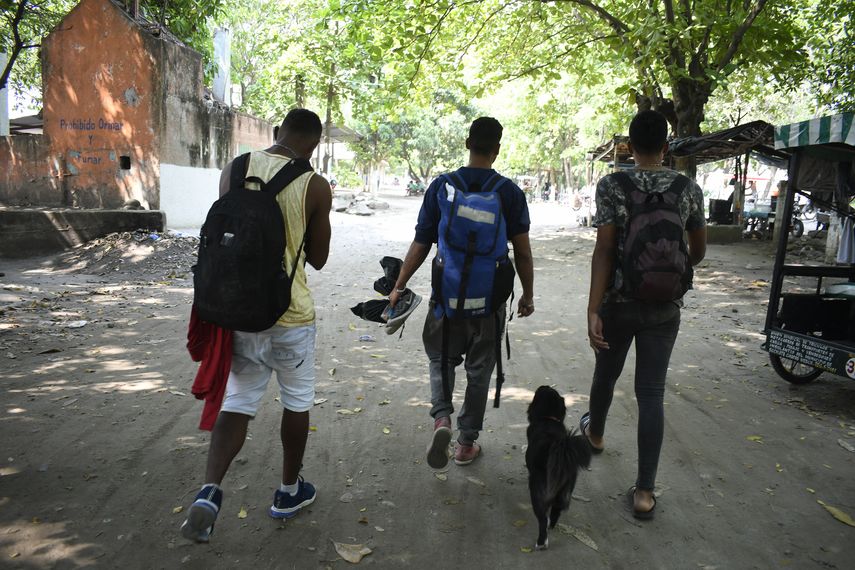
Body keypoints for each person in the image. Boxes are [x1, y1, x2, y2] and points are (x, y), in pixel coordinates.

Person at [180, 108, 332, 542]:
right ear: (315, 144)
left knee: (239, 399)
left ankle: (210, 491)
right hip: (290, 314)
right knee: (297, 401)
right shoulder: (315, 185)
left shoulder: (236, 167)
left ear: (275, 132)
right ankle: (288, 491)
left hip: (237, 310)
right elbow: (318, 259)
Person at [388, 117, 535, 468]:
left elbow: (422, 242)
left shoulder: (442, 187)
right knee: (480, 370)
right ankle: (466, 444)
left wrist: (399, 285)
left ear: (467, 143)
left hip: (447, 297)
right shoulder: (509, 192)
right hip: (489, 300)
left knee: (440, 359)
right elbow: (524, 251)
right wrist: (528, 294)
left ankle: (442, 419)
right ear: (497, 149)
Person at [581, 110, 706, 519]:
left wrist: (593, 307)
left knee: (606, 373)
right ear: (666, 148)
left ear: (628, 147)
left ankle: (595, 435)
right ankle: (645, 493)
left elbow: (604, 249)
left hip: (618, 303)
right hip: (664, 309)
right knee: (651, 393)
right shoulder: (688, 187)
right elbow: (698, 251)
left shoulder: (613, 184)